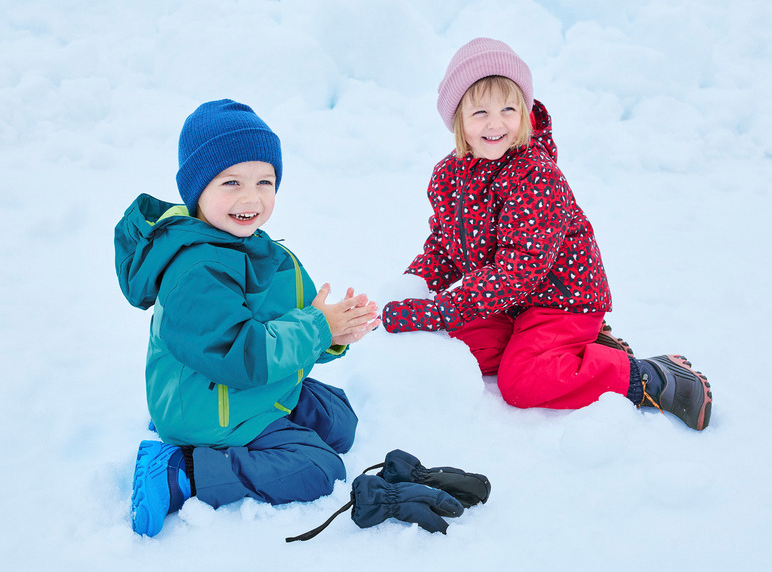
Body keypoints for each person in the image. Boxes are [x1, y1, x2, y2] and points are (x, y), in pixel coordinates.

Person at [382, 38, 712, 431]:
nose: (495, 123)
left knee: (521, 382)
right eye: (480, 111)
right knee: (457, 344)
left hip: (562, 300)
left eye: (508, 108)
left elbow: (517, 270)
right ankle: (572, 354)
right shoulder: (449, 175)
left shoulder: (535, 175)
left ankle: (647, 376)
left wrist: (438, 309)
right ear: (458, 120)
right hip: (508, 303)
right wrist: (410, 289)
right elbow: (443, 248)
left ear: (524, 110)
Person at [115, 99, 380, 537]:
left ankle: (239, 438)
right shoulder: (195, 271)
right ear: (197, 190)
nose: (251, 197)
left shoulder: (258, 249)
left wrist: (335, 329)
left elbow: (297, 317)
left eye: (264, 181)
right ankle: (183, 470)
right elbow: (240, 353)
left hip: (234, 386)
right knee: (319, 467)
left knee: (338, 421)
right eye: (231, 182)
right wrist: (317, 328)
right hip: (209, 403)